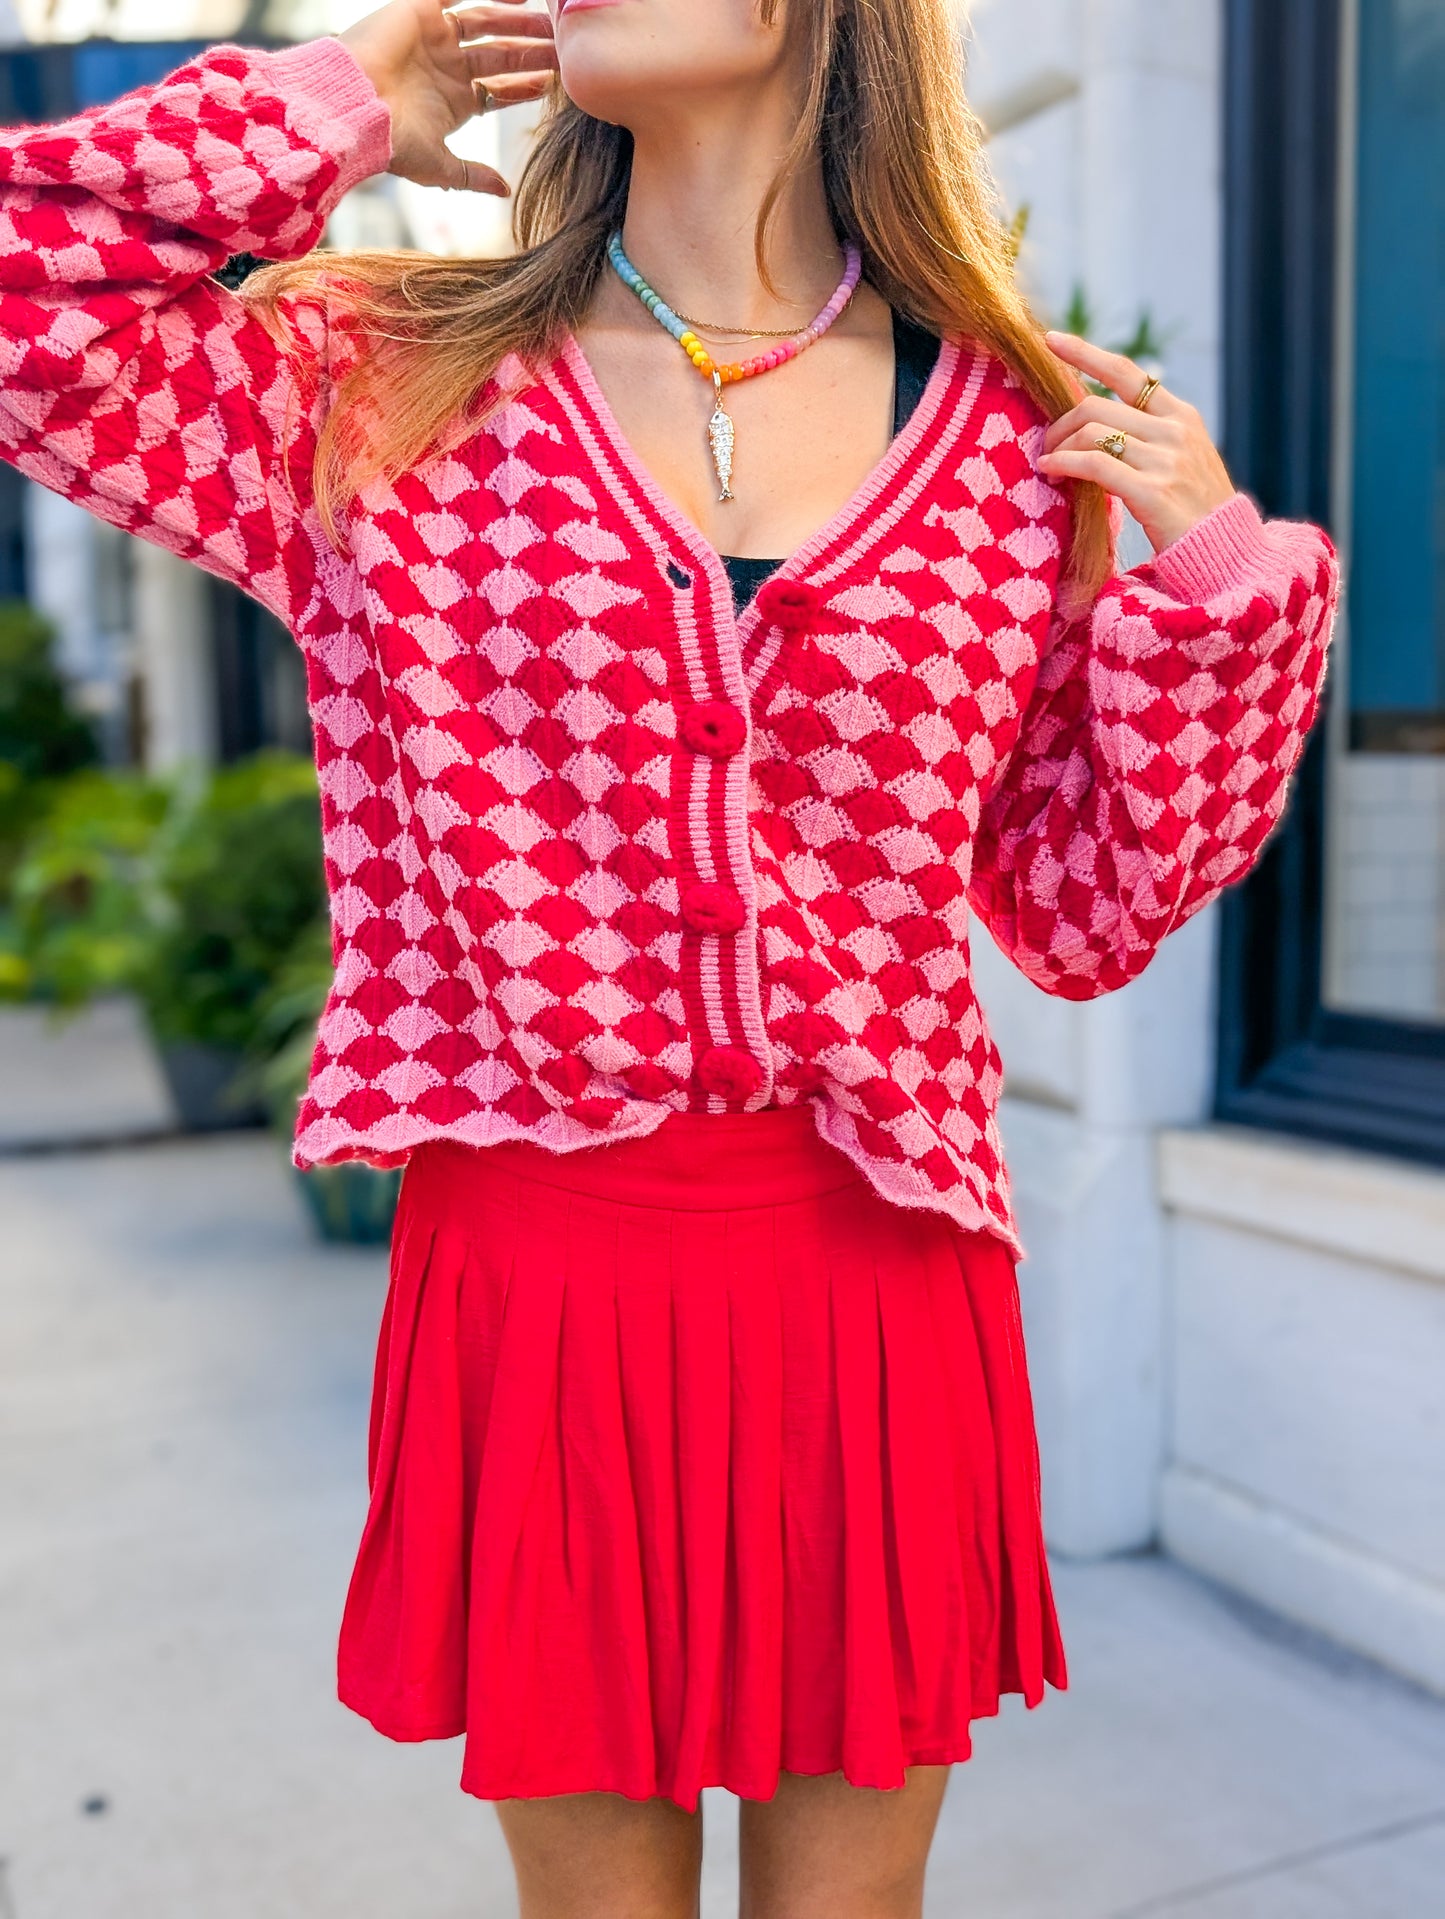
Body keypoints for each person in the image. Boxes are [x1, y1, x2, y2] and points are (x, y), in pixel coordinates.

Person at [0, 0, 1340, 1912]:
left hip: (873, 1276)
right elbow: (26, 291)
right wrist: (326, 108)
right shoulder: (384, 382)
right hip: (541, 1273)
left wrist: (1215, 591)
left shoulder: (1012, 426)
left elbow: (1082, 906)